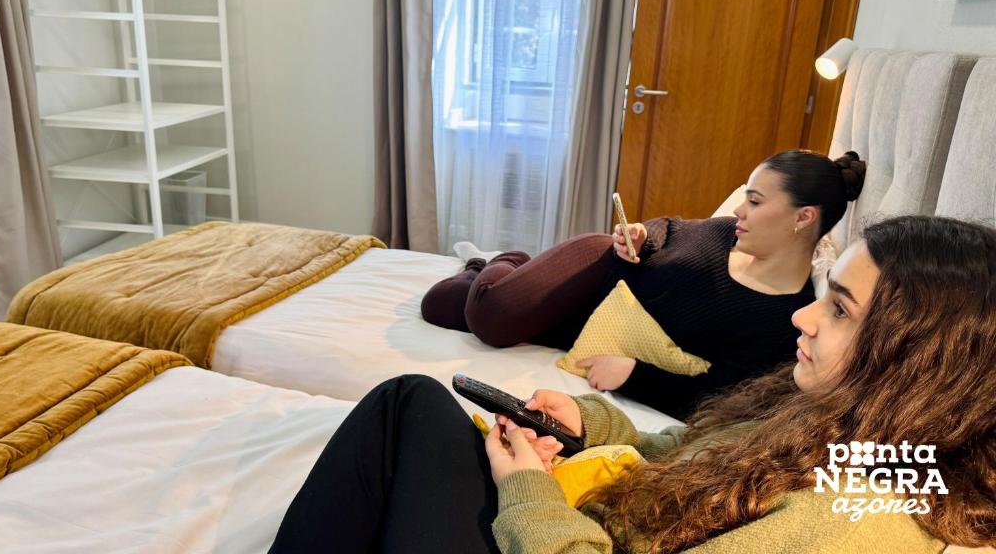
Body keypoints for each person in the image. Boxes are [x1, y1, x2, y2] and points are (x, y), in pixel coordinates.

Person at [270, 215, 996, 554]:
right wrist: (596, 426)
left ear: (918, 359)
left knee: (407, 409)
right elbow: (708, 456)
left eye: (839, 308)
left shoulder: (851, 521)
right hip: (598, 526)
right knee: (414, 406)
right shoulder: (853, 429)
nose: (804, 316)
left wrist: (528, 492)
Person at [421, 149, 867, 418]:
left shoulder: (782, 321)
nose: (741, 212)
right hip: (592, 267)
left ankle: (488, 269)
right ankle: (507, 261)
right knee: (489, 316)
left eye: (754, 201)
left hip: (581, 327)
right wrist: (639, 235)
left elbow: (720, 393)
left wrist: (634, 374)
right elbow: (668, 229)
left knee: (440, 304)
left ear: (803, 217)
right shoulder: (724, 232)